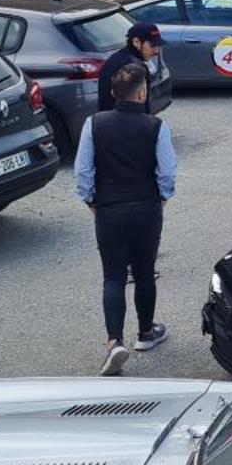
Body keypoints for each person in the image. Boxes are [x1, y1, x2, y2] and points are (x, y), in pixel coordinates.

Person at [76, 64, 178, 375]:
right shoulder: (156, 126)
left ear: (111, 93)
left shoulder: (94, 124)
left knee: (113, 276)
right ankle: (146, 332)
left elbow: (83, 170)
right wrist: (161, 196)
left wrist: (91, 199)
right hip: (146, 207)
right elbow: (167, 171)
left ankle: (114, 341)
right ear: (143, 92)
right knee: (145, 272)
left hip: (109, 209)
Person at [98, 22, 164, 114]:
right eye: (152, 46)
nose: (157, 51)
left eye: (158, 45)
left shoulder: (115, 58)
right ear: (136, 42)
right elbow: (143, 107)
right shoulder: (136, 69)